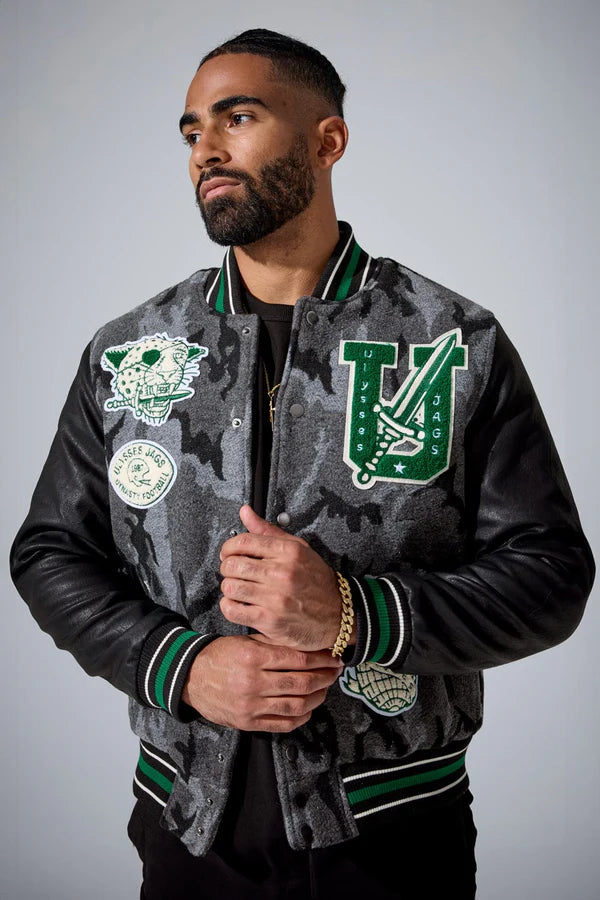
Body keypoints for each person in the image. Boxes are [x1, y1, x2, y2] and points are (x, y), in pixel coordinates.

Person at [10, 28, 594, 900]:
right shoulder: (131, 352)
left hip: (394, 833)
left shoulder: (453, 343)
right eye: (192, 130)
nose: (206, 148)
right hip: (186, 835)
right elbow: (50, 552)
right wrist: (183, 667)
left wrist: (355, 614)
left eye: (238, 117)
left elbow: (551, 576)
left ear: (328, 142)